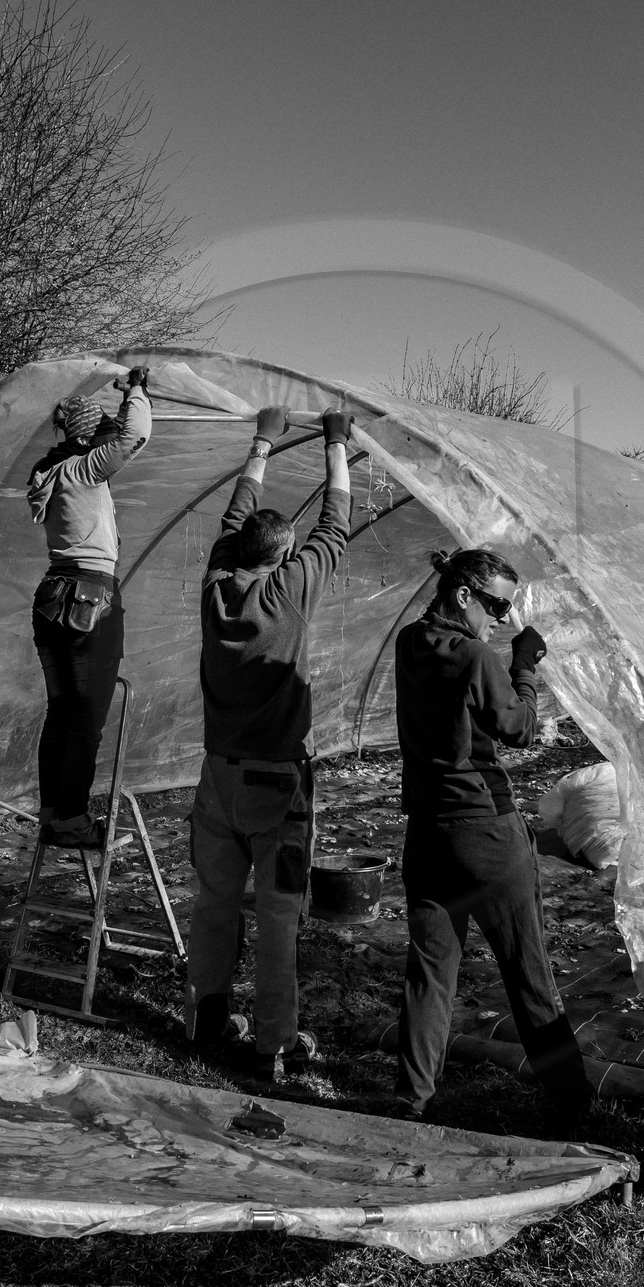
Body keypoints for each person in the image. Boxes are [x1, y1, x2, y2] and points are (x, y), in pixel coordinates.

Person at [392, 547, 594, 1134]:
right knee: (528, 973)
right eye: (497, 605)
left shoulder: (410, 642)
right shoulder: (479, 655)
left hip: (428, 834)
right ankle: (573, 1100)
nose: (503, 619)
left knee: (429, 972)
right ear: (463, 596)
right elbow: (520, 728)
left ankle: (410, 1099)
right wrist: (525, 664)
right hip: (486, 833)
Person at [183, 404, 353, 1082]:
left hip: (217, 779)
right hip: (277, 786)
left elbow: (233, 518)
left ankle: (206, 1020)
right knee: (279, 918)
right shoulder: (288, 592)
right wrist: (338, 442)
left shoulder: (218, 587)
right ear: (283, 555)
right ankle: (275, 1044)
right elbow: (336, 522)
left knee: (215, 904)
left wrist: (263, 441)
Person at [26, 366, 152, 849]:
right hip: (90, 597)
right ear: (88, 440)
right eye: (100, 436)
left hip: (53, 596)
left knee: (62, 712)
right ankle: (74, 823)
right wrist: (137, 390)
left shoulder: (50, 472)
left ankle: (55, 813)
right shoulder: (82, 469)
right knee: (87, 718)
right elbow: (135, 435)